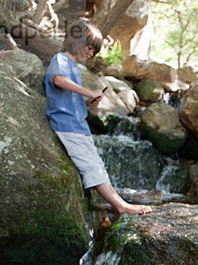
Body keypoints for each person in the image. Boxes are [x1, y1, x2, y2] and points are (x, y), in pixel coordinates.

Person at [45, 19, 152, 216]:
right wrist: (87, 92)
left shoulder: (73, 67)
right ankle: (121, 206)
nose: (90, 54)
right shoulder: (60, 60)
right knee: (91, 165)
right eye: (88, 48)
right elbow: (58, 80)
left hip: (77, 125)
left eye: (94, 51)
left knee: (96, 164)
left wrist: (87, 102)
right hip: (67, 125)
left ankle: (117, 202)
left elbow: (68, 98)